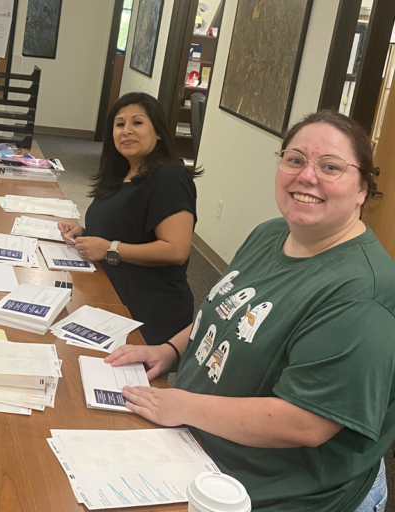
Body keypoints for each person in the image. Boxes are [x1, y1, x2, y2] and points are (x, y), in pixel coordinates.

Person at [106, 110, 394, 512]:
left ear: (363, 187)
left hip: (287, 493)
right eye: (295, 159)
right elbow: (224, 310)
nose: (307, 176)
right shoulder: (271, 233)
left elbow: (306, 422)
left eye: (331, 167)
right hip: (204, 447)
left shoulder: (361, 295)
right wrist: (170, 350)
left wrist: (183, 405)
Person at [58, 92, 199, 345]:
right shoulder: (121, 175)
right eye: (119, 124)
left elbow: (176, 250)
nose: (126, 131)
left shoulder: (169, 179)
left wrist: (110, 249)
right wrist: (85, 233)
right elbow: (126, 228)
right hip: (109, 292)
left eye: (137, 122)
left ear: (157, 132)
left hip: (147, 308)